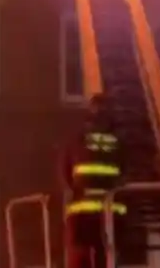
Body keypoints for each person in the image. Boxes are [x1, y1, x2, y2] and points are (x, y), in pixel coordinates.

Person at [64, 94, 127, 268]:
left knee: (81, 256)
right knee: (107, 256)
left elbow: (65, 171)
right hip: (110, 210)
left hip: (82, 209)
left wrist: (76, 190)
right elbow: (124, 172)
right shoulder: (118, 142)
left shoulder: (78, 139)